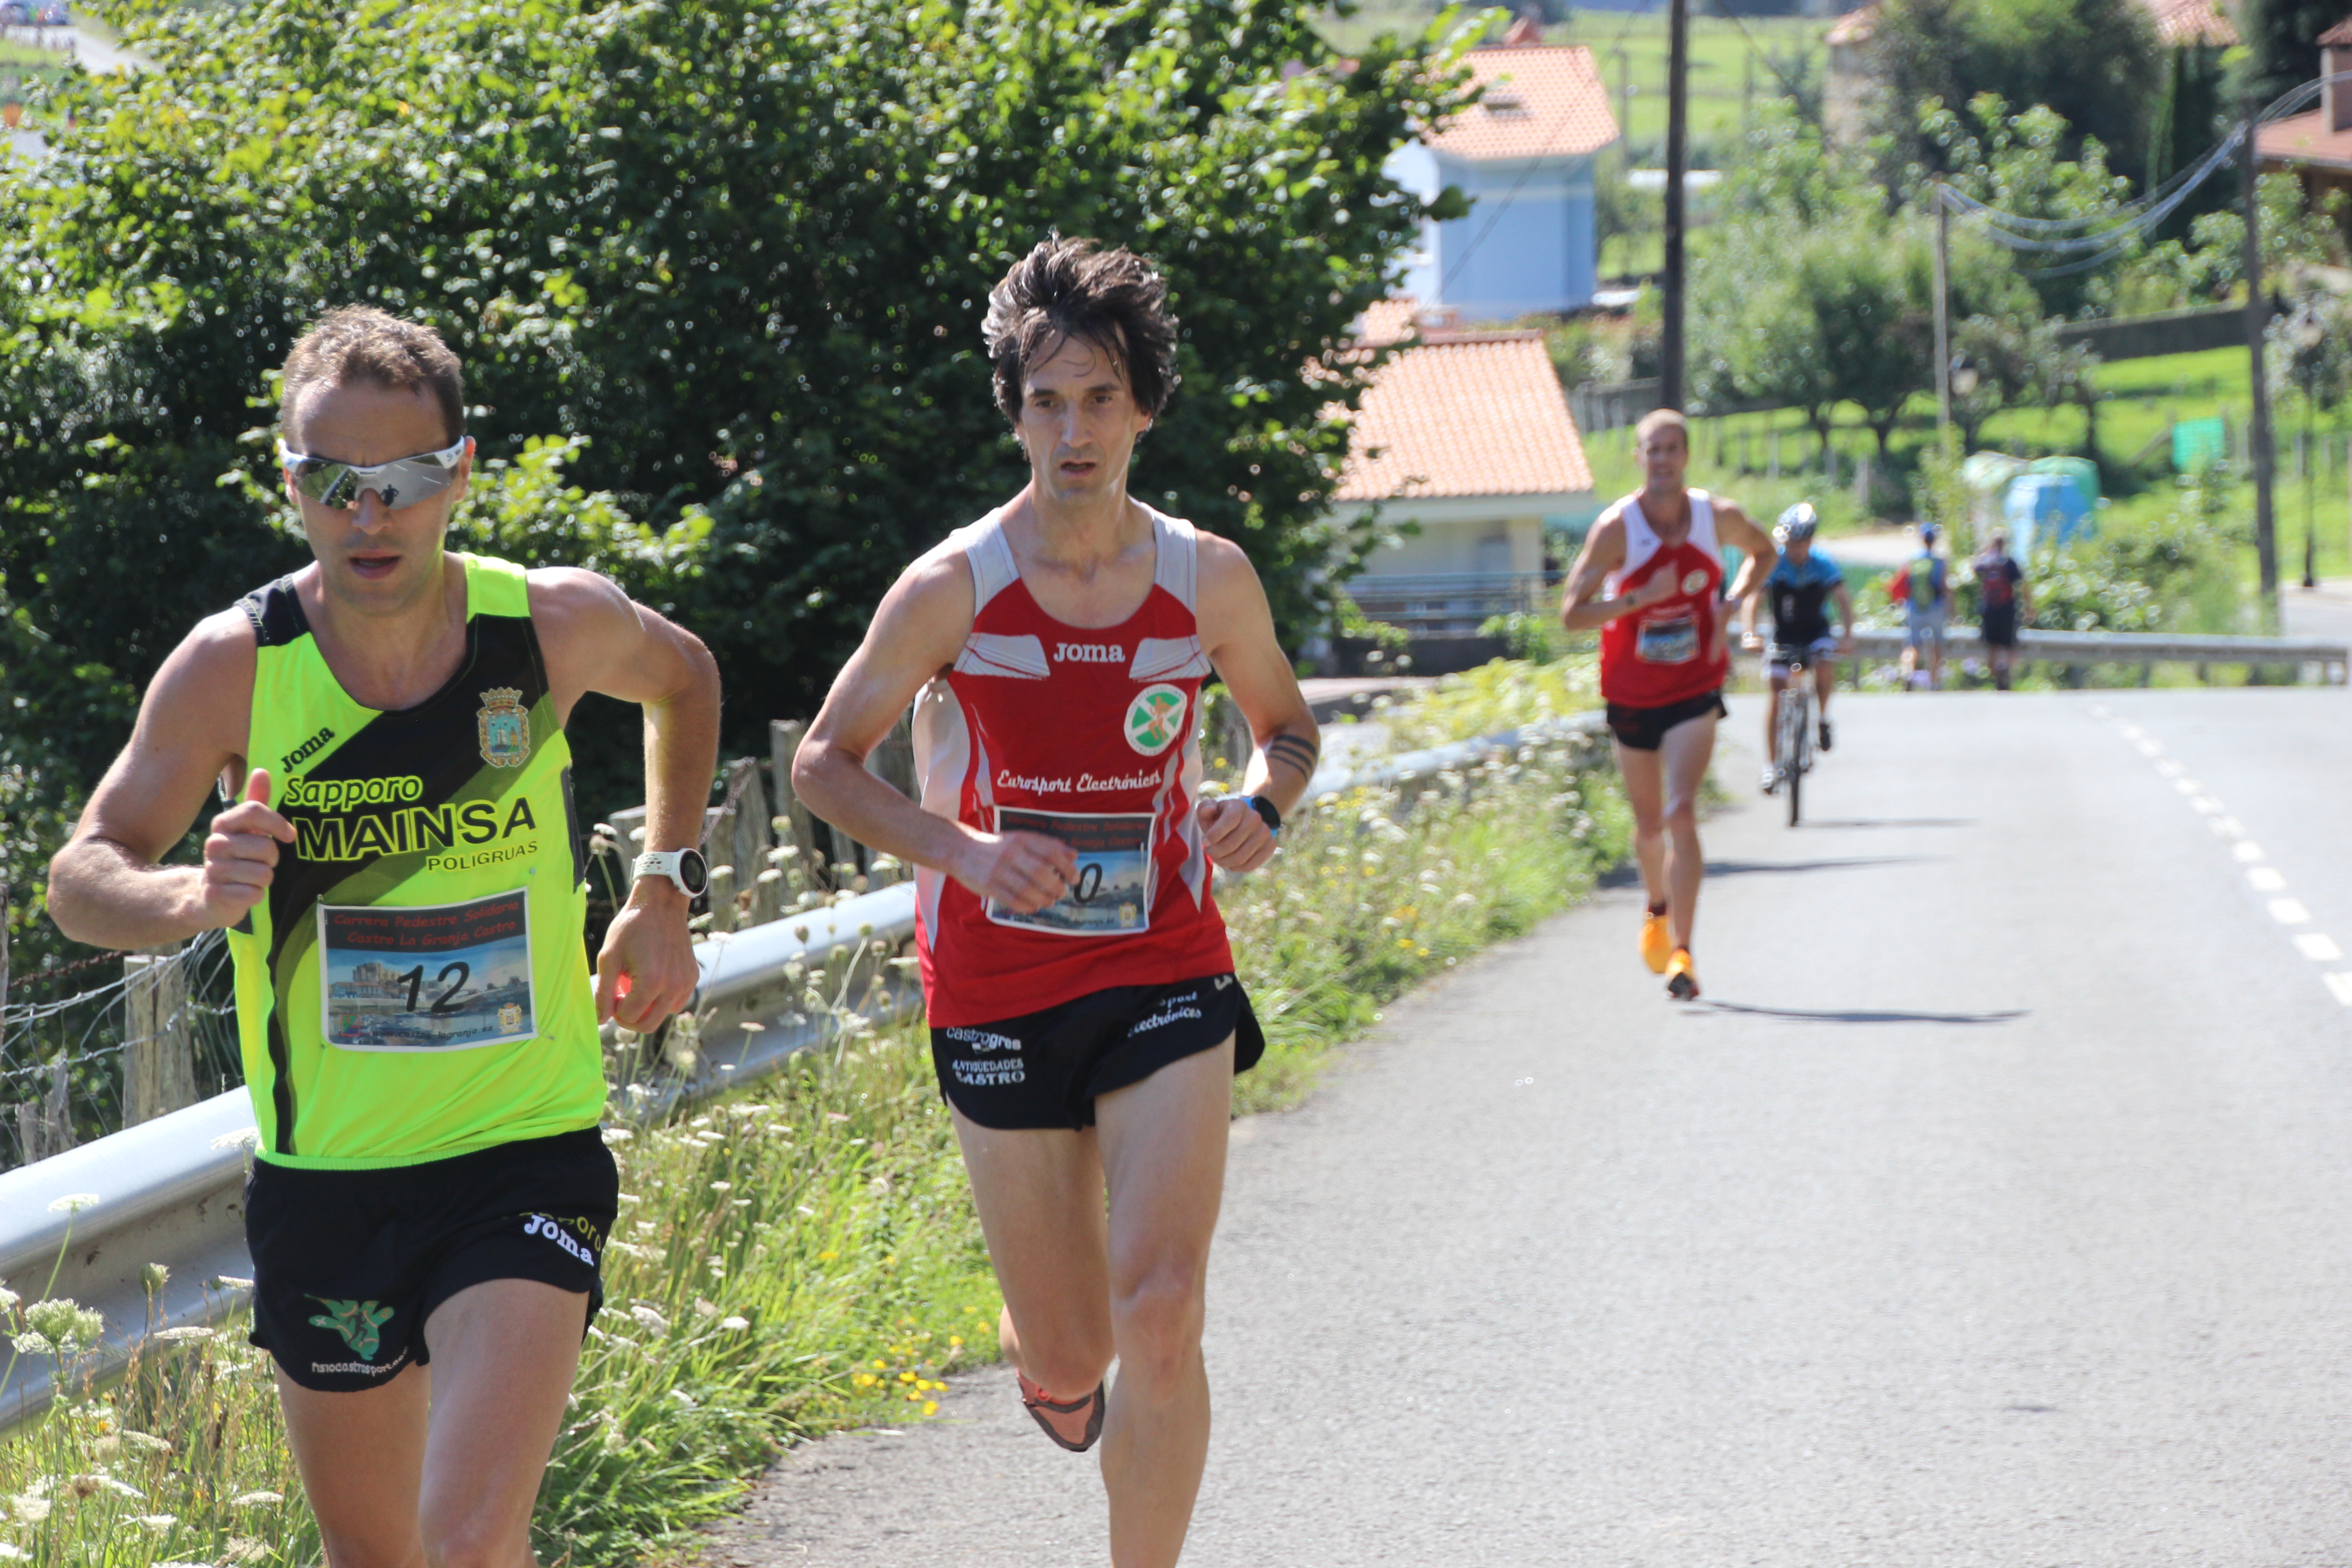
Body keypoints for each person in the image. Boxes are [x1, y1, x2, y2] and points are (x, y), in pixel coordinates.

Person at [45, 307, 721, 1566]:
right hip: (330, 1185)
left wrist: (667, 883)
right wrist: (191, 899)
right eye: (335, 484)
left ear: (460, 473)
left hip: (522, 1154)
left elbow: (684, 678)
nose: (372, 516)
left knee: (467, 1541)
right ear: (289, 480)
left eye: (405, 482)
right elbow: (81, 877)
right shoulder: (235, 668)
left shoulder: (550, 626)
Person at [792, 237, 1318, 1568]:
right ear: (1012, 410)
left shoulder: (1211, 579)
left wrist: (1260, 806)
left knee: (1165, 1308)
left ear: (1144, 406)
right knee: (1080, 1348)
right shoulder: (952, 587)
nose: (1071, 431)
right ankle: (1050, 1361)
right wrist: (963, 852)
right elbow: (822, 766)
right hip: (995, 985)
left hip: (1165, 965)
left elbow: (1287, 730)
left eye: (1098, 399)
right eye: (1045, 401)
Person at [1558, 408, 1773, 1002]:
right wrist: (1636, 601)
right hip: (1630, 691)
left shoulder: (1716, 517)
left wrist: (1732, 602)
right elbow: (1572, 615)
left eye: (1673, 449)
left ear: (1686, 456)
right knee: (1650, 824)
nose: (1663, 460)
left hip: (1694, 688)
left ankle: (1684, 952)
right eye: (1653, 450)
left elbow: (1766, 552)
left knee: (1682, 811)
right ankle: (1656, 907)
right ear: (1639, 458)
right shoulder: (1617, 529)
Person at [1741, 503, 1854, 793]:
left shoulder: (1822, 563)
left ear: (1810, 541)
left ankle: (1824, 718)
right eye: (1789, 542)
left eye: (1800, 543)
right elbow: (1754, 599)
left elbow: (1843, 599)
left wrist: (1848, 635)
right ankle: (1770, 766)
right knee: (1777, 691)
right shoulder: (1775, 563)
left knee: (1825, 665)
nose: (1795, 548)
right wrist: (1750, 633)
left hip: (1816, 632)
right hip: (1783, 634)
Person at [1893, 522, 1951, 690]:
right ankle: (1934, 681)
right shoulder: (1940, 561)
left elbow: (1902, 583)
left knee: (1913, 645)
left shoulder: (1911, 560)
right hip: (1936, 606)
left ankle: (1908, 673)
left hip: (1914, 606)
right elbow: (1945, 586)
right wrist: (1952, 609)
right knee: (1937, 644)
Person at [1972, 528, 2031, 690]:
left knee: (1992, 646)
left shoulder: (1985, 563)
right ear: (2004, 545)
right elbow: (2023, 584)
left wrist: (1985, 551)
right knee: (2011, 645)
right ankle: (2005, 668)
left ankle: (1996, 674)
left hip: (1989, 609)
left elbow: (1973, 570)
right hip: (2007, 608)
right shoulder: (2010, 563)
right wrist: (2029, 607)